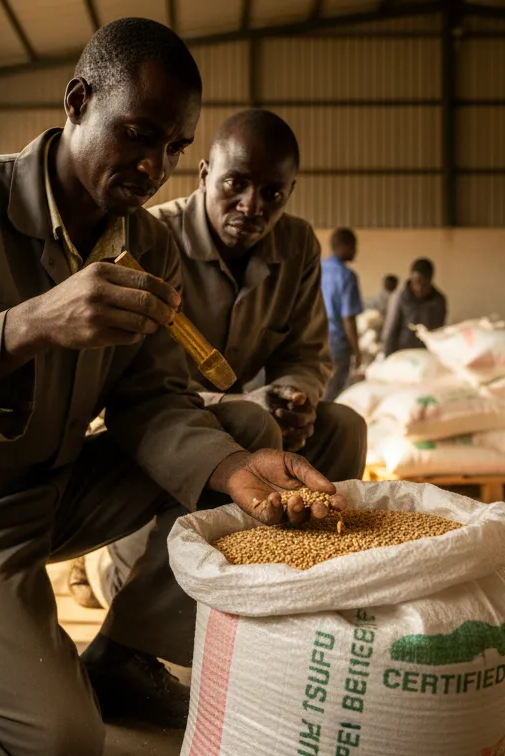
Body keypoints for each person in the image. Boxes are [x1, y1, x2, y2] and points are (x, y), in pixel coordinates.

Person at [0, 19, 345, 756]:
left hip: (51, 489)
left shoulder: (149, 245)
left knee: (245, 433)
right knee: (60, 742)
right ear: (77, 101)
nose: (153, 165)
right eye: (138, 134)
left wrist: (231, 469)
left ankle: (126, 652)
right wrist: (28, 325)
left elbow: (152, 399)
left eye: (172, 149)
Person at [74, 109, 369, 611]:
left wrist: (295, 396)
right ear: (206, 174)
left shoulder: (297, 246)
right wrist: (254, 403)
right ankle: (120, 577)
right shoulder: (151, 241)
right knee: (253, 422)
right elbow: (140, 391)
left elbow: (307, 353)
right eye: (236, 183)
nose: (252, 206)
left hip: (252, 419)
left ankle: (294, 579)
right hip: (164, 430)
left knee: (344, 426)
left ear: (289, 194)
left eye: (272, 193)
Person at [322, 227, 364, 400]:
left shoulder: (317, 269)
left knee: (314, 389)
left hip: (312, 341)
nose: (356, 251)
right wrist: (357, 350)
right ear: (344, 247)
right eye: (354, 246)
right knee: (333, 392)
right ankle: (322, 425)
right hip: (336, 344)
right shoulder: (347, 276)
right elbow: (348, 319)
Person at [381, 257, 447, 355]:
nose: (419, 288)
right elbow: (390, 330)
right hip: (402, 353)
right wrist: (388, 356)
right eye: (416, 282)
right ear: (411, 277)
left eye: (424, 284)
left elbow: (439, 332)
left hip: (426, 354)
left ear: (431, 279)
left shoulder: (438, 301)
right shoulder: (399, 298)